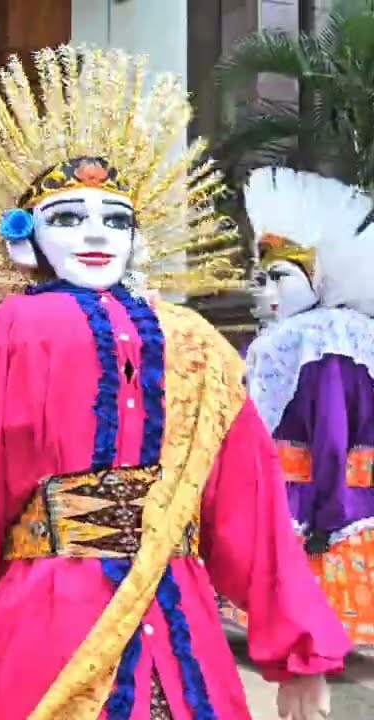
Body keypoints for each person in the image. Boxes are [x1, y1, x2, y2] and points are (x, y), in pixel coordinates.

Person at [0, 46, 349, 719]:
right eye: (68, 217)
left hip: (45, 618)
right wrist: (297, 648)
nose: (95, 234)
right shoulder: (17, 339)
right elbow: (250, 517)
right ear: (25, 240)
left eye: (115, 219)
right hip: (168, 617)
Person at [229, 166, 374, 649]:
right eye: (260, 278)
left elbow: (333, 431)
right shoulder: (291, 338)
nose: (266, 291)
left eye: (280, 277)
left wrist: (329, 513)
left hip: (321, 496)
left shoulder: (323, 340)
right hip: (289, 490)